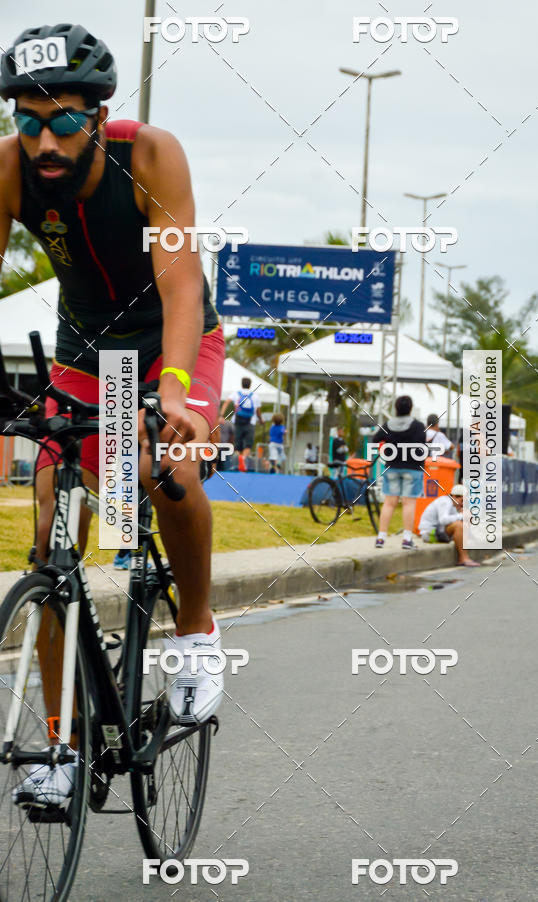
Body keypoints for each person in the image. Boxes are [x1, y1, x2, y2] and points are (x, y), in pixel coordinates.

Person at [0, 23, 225, 807]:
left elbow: (181, 284)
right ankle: (59, 749)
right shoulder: (10, 171)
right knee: (50, 539)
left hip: (171, 337)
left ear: (99, 115)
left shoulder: (149, 155)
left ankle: (195, 631)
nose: (44, 139)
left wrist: (169, 392)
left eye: (63, 118)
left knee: (167, 472)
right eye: (27, 119)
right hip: (82, 350)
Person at [372, 395, 426, 550]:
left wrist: (388, 448)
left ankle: (381, 538)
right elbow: (422, 444)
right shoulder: (418, 426)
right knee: (408, 503)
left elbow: (376, 440)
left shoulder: (387, 425)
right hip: (413, 468)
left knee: (389, 503)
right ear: (410, 408)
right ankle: (407, 539)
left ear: (396, 408)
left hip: (392, 467)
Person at [418, 485, 480, 567]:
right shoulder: (445, 502)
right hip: (429, 534)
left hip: (439, 531)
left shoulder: (455, 505)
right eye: (459, 498)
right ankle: (463, 558)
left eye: (463, 499)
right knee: (458, 525)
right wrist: (462, 515)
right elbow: (443, 520)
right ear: (453, 496)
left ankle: (465, 546)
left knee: (463, 521)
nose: (461, 501)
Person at [221, 376, 263, 453]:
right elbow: (258, 411)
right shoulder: (255, 396)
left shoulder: (236, 393)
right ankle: (243, 459)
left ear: (242, 384)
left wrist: (221, 415)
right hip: (250, 422)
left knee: (237, 444)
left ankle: (239, 457)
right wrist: (260, 420)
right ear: (250, 385)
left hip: (237, 421)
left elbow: (226, 402)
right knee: (248, 445)